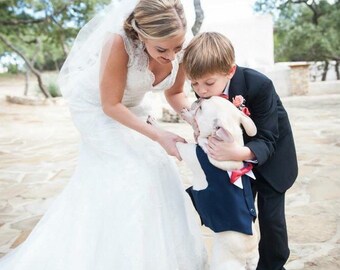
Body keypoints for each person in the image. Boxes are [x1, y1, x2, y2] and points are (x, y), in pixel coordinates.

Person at [0, 1, 208, 269]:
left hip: (132, 106)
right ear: (141, 35)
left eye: (176, 48)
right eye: (161, 49)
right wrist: (158, 135)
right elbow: (111, 105)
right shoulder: (117, 43)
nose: (171, 56)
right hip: (97, 108)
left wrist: (193, 119)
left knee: (157, 167)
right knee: (131, 169)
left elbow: (175, 93)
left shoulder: (180, 44)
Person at [182, 32, 298, 270]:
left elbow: (267, 137)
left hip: (271, 158)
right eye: (194, 83)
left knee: (271, 221)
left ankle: (273, 266)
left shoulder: (259, 85)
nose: (201, 91)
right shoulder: (206, 87)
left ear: (230, 71)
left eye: (208, 83)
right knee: (240, 217)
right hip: (234, 165)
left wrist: (237, 152)